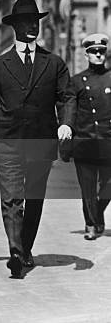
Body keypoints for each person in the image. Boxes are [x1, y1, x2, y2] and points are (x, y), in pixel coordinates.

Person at [0, 0, 74, 278]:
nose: (31, 26)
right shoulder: (0, 65)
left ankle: (25, 248)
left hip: (41, 143)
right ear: (14, 26)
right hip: (9, 142)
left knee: (34, 198)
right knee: (12, 198)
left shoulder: (53, 63)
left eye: (35, 21)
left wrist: (66, 124)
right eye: (25, 21)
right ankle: (15, 252)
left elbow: (66, 97)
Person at [65, 34, 111, 240]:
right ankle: (91, 224)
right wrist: (66, 130)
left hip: (108, 140)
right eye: (94, 51)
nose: (98, 54)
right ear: (87, 54)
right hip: (85, 141)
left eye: (102, 51)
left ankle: (98, 211)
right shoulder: (76, 82)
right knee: (88, 187)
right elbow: (70, 111)